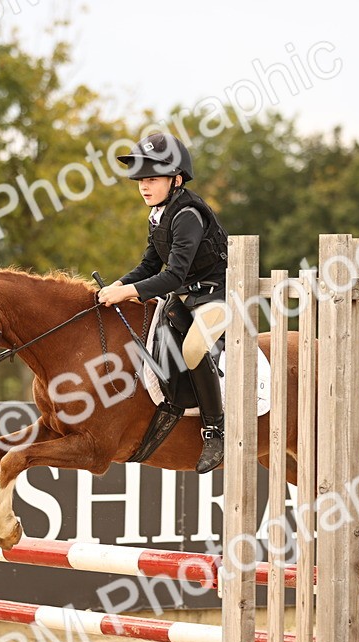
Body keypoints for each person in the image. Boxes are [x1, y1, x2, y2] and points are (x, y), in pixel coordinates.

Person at [98, 132, 230, 473]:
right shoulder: (159, 213)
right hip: (185, 300)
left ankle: (216, 431)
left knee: (192, 350)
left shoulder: (187, 214)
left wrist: (126, 293)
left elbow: (172, 275)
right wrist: (118, 284)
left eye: (152, 179)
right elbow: (148, 266)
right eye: (141, 179)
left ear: (177, 179)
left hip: (218, 296)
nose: (144, 186)